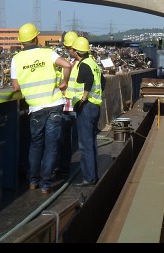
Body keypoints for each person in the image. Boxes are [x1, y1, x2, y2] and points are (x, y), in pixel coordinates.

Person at [10, 22, 73, 194]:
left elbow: (16, 88)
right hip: (54, 105)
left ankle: (32, 181)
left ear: (22, 42)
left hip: (35, 108)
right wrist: (64, 82)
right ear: (36, 38)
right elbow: (67, 65)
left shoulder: (16, 59)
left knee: (36, 145)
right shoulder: (48, 53)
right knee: (51, 145)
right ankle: (46, 184)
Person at [66, 36, 105, 187]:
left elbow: (88, 80)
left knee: (85, 144)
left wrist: (83, 97)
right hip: (95, 106)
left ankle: (88, 178)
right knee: (92, 142)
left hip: (87, 107)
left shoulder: (83, 65)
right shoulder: (93, 63)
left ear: (77, 52)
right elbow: (102, 81)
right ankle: (93, 175)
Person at [55, 31, 79, 178]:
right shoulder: (80, 63)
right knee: (70, 140)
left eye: (69, 48)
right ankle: (65, 167)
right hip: (75, 105)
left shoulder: (71, 65)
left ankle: (63, 168)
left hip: (69, 106)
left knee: (64, 140)